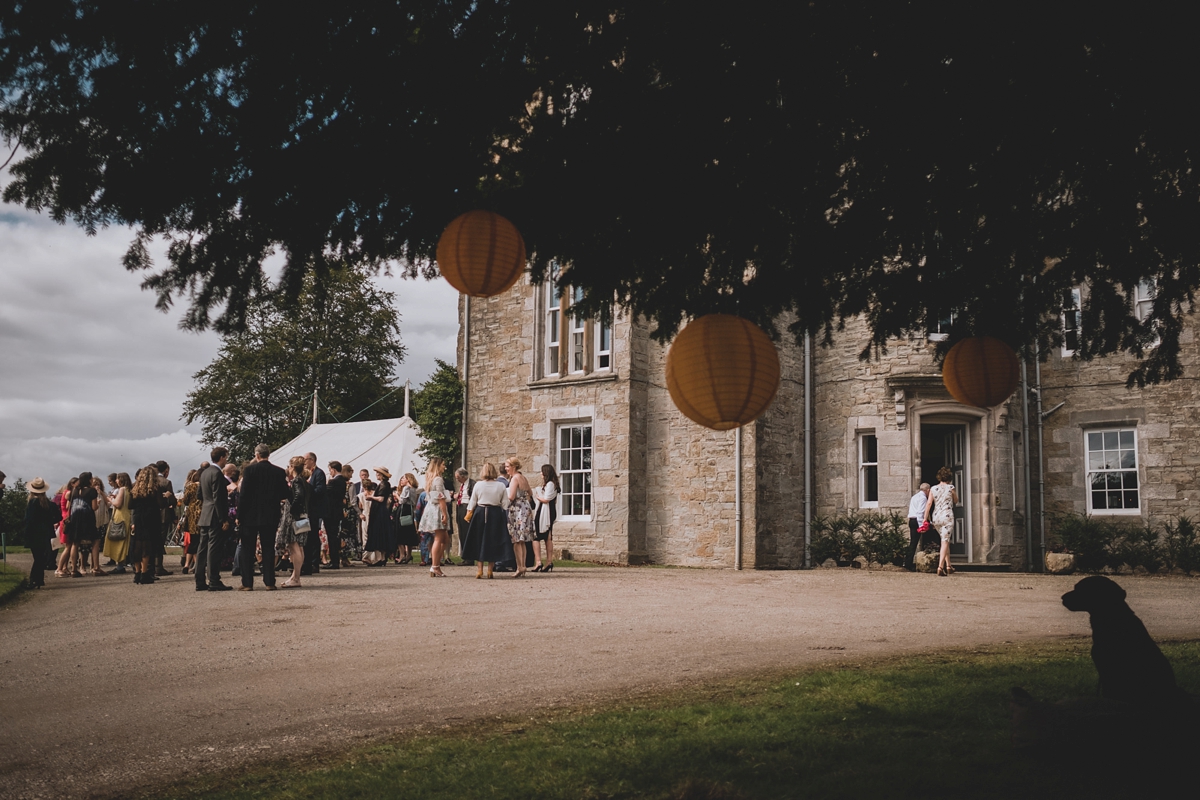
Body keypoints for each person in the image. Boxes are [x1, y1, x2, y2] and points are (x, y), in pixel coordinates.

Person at [237, 443, 290, 590]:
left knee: (248, 548)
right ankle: (269, 582)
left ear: (257, 455)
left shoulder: (249, 470)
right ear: (269, 454)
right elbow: (285, 493)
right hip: (270, 514)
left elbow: (243, 495)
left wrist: (239, 515)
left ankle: (247, 583)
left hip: (249, 515)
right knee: (268, 548)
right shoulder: (279, 472)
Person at [462, 462, 510, 578]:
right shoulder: (501, 486)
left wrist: (468, 513)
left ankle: (479, 570)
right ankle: (490, 570)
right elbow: (505, 504)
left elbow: (473, 501)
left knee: (479, 540)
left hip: (480, 512)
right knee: (492, 541)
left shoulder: (478, 485)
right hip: (495, 513)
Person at [195, 448, 233, 592]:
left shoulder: (204, 472)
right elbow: (218, 498)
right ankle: (214, 580)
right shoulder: (217, 474)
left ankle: (199, 580)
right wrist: (223, 518)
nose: (226, 460)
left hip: (205, 513)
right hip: (215, 515)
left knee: (202, 548)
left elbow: (199, 495)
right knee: (213, 549)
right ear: (222, 457)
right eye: (226, 457)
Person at [277, 455, 313, 587]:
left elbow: (298, 496)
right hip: (303, 516)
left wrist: (292, 510)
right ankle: (295, 576)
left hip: (295, 517)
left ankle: (296, 577)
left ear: (292, 467)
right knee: (300, 546)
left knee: (294, 546)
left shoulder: (297, 481)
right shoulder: (303, 480)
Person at [23, 478, 61, 588]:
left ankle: (33, 580)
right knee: (41, 557)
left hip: (34, 533)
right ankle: (39, 579)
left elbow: (28, 519)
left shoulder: (32, 503)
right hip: (46, 532)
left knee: (38, 557)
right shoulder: (49, 504)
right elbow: (58, 517)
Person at [418, 457, 451, 577]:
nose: (444, 467)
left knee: (444, 538)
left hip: (431, 508)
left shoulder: (430, 479)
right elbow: (440, 497)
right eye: (443, 465)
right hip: (437, 509)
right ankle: (435, 565)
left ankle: (435, 564)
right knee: (439, 538)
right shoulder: (438, 480)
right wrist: (444, 514)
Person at [129, 466, 162, 584]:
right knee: (147, 547)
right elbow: (160, 504)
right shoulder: (154, 489)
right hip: (151, 518)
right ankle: (144, 573)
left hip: (138, 518)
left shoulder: (135, 489)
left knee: (137, 545)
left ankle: (137, 573)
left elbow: (130, 505)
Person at [924, 467, 959, 577]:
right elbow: (956, 500)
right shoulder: (951, 487)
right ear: (949, 478)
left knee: (944, 540)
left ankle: (948, 566)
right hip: (947, 516)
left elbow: (929, 503)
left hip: (936, 517)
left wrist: (925, 518)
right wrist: (952, 494)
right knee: (945, 541)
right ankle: (940, 567)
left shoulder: (933, 489)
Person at [503, 458, 535, 578]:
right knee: (522, 540)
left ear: (514, 466)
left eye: (507, 466)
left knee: (516, 540)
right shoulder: (523, 477)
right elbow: (530, 493)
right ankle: (523, 566)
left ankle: (519, 566)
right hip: (525, 507)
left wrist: (503, 499)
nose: (506, 469)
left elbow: (511, 497)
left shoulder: (515, 478)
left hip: (517, 508)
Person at [65, 472, 99, 578]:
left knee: (75, 543)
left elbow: (68, 506)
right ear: (88, 480)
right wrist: (97, 504)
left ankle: (74, 569)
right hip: (87, 519)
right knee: (95, 540)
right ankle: (96, 568)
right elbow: (94, 507)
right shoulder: (92, 491)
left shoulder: (74, 491)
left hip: (75, 518)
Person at [362, 467, 394, 565]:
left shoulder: (384, 484)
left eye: (378, 473)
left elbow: (381, 499)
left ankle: (380, 558)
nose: (376, 475)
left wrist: (371, 497)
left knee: (379, 533)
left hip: (380, 512)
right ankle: (382, 558)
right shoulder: (382, 484)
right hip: (379, 511)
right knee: (381, 533)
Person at [102, 472, 132, 571]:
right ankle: (121, 564)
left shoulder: (122, 489)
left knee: (118, 539)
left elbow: (118, 504)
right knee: (123, 539)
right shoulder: (129, 490)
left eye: (118, 479)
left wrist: (110, 500)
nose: (116, 481)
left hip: (120, 516)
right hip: (126, 516)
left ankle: (119, 565)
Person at [532, 464, 558, 572]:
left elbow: (546, 499)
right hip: (549, 510)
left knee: (536, 536)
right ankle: (548, 562)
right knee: (548, 536)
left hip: (545, 511)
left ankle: (539, 562)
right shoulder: (552, 484)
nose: (541, 474)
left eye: (542, 472)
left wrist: (538, 496)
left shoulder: (550, 484)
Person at [154, 461, 176, 576]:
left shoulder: (151, 481)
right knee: (160, 541)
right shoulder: (166, 482)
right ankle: (158, 566)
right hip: (163, 514)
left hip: (152, 514)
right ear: (166, 470)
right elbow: (172, 500)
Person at [904, 483, 932, 572]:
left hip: (912, 520)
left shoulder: (914, 497)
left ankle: (908, 561)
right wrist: (922, 526)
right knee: (914, 542)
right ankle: (909, 563)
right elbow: (920, 512)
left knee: (913, 542)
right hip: (917, 521)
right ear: (927, 490)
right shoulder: (923, 498)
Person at [324, 460, 347, 569]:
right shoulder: (342, 481)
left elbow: (326, 493)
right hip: (337, 511)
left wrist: (328, 483)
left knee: (332, 536)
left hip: (331, 512)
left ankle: (334, 560)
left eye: (330, 470)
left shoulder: (334, 482)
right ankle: (334, 559)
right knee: (334, 536)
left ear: (333, 470)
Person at [395, 472, 420, 563]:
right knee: (409, 532)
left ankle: (402, 555)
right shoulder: (414, 489)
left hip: (403, 510)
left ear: (408, 479)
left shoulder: (406, 488)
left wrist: (396, 495)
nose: (401, 480)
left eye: (403, 478)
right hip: (410, 511)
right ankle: (409, 554)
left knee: (400, 532)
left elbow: (402, 500)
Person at [454, 468, 476, 566]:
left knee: (467, 533)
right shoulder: (463, 485)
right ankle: (465, 556)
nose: (457, 479)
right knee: (461, 532)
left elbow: (473, 497)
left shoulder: (472, 484)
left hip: (466, 507)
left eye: (458, 477)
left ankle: (470, 558)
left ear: (463, 476)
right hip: (460, 507)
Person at [89, 476, 111, 575]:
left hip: (102, 520)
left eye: (98, 484)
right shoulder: (90, 495)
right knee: (92, 544)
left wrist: (101, 493)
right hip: (94, 520)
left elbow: (108, 503)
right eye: (95, 485)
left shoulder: (102, 494)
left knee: (98, 543)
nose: (97, 486)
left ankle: (95, 565)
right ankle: (92, 565)